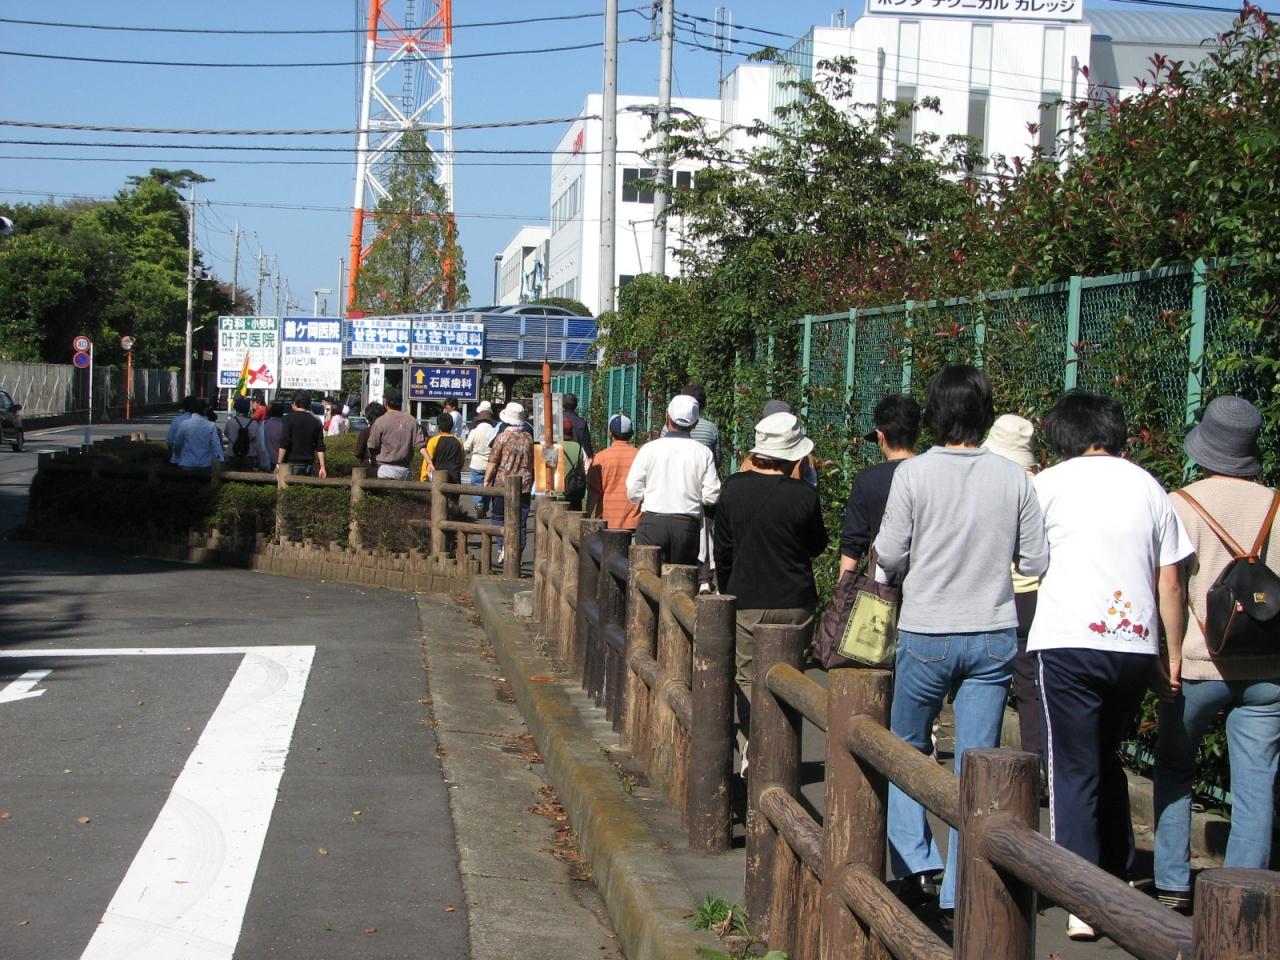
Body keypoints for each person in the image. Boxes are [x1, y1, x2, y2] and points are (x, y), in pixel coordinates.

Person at [873, 365, 1048, 925]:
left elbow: (889, 554)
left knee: (905, 748)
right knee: (978, 764)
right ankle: (962, 888)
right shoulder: (1014, 478)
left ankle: (916, 862)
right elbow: (1036, 560)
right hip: (993, 632)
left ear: (934, 413)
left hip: (927, 627)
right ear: (983, 413)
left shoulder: (913, 474)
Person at [1028, 390, 1191, 941]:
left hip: (1068, 641)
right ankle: (1117, 871)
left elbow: (1025, 559)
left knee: (1073, 765)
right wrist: (1170, 654)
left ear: (1061, 435)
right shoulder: (1149, 487)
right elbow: (1172, 581)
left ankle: (1081, 894)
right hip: (1134, 646)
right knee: (1105, 755)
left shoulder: (1047, 485)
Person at [1153, 395, 1279, 914]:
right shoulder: (1276, 503)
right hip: (1268, 668)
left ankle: (1172, 884)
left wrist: (1169, 655)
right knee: (1256, 785)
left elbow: (1170, 587)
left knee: (1174, 767)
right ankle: (1242, 896)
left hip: (1198, 663)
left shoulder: (1181, 504)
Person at [714, 411, 827, 736]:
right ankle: (782, 741)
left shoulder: (732, 488)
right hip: (796, 600)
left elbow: (723, 549)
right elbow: (817, 546)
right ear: (794, 456)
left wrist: (729, 589)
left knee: (748, 676)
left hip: (747, 597)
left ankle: (755, 742)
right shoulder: (804, 495)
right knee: (791, 678)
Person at [981, 413, 1044, 765]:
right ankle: (1038, 759)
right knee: (1031, 685)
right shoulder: (1044, 484)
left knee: (985, 677)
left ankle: (983, 758)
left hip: (998, 589)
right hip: (1037, 593)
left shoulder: (993, 483)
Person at [626, 394, 721, 567]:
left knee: (646, 574)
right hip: (686, 525)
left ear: (667, 417)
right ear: (695, 423)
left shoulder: (649, 449)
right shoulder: (703, 452)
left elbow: (633, 490)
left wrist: (644, 497)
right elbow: (711, 496)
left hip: (652, 522)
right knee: (682, 577)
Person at [838, 394, 920, 577]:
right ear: (918, 433)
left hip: (883, 583)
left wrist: (842, 588)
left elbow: (853, 544)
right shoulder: (930, 473)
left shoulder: (867, 479)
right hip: (927, 580)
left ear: (880, 436)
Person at [484, 401, 535, 563]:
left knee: (499, 516)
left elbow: (493, 461)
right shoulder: (528, 438)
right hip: (524, 485)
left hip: (503, 484)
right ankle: (517, 551)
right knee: (521, 521)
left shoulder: (502, 437)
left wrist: (486, 480)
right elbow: (532, 462)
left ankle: (503, 546)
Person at [586, 414, 641, 531]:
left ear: (609, 433)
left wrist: (587, 515)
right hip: (635, 522)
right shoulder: (640, 455)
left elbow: (593, 492)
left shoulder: (601, 457)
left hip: (607, 520)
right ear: (632, 434)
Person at [365, 388, 426, 481]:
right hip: (405, 470)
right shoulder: (412, 420)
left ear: (385, 402)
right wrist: (430, 462)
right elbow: (420, 445)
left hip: (384, 468)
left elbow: (372, 445)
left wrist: (372, 460)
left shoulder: (380, 421)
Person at [277, 390, 328, 478]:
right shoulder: (316, 422)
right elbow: (320, 447)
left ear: (294, 404)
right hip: (309, 464)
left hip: (291, 463)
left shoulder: (288, 419)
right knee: (306, 486)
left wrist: (278, 464)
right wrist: (322, 466)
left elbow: (284, 443)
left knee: (288, 486)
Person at [464, 401, 497, 517]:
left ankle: (479, 504)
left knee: (477, 485)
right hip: (491, 463)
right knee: (488, 485)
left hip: (476, 463)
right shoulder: (494, 431)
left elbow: (466, 447)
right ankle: (485, 507)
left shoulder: (474, 431)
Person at [172, 399, 226, 470]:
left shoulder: (184, 424)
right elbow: (216, 446)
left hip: (187, 463)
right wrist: (220, 460)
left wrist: (177, 457)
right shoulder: (211, 425)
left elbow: (178, 444)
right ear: (205, 411)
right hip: (205, 464)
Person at [225, 395, 259, 471]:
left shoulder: (231, 421)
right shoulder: (254, 423)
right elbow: (256, 439)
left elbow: (226, 434)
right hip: (249, 453)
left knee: (231, 474)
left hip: (233, 452)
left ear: (237, 409)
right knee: (248, 475)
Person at [559, 419, 588, 511]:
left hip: (559, 493)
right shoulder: (579, 447)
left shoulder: (556, 446)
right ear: (572, 431)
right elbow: (586, 467)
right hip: (575, 491)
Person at [353, 401, 385, 470]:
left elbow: (358, 453)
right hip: (385, 466)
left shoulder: (365, 432)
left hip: (367, 466)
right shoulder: (387, 431)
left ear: (367, 417)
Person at [166, 396, 198, 462]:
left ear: (183, 407)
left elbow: (170, 441)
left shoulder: (177, 420)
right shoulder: (205, 421)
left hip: (180, 460)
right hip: (200, 461)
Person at [562, 393, 594, 458]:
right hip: (576, 458)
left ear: (563, 405)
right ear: (576, 405)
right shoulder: (582, 422)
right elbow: (587, 445)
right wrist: (590, 456)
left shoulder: (556, 420)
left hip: (559, 457)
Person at [259, 400, 286, 471]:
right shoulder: (285, 426)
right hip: (281, 461)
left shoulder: (263, 424)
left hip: (266, 460)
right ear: (282, 413)